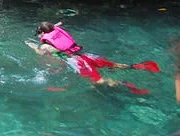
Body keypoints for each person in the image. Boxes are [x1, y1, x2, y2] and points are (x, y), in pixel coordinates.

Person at [28, 22, 159, 94]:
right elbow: (55, 27)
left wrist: (33, 47)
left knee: (99, 81)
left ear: (44, 34)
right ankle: (137, 66)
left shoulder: (46, 46)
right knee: (112, 64)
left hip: (78, 61)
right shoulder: (58, 32)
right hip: (87, 56)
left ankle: (125, 84)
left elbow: (41, 52)